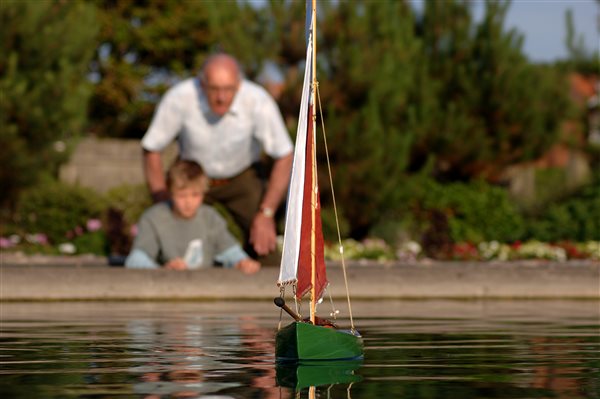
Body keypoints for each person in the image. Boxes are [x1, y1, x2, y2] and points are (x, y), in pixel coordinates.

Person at [141, 53, 293, 261]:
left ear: (239, 85)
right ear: (201, 84)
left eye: (229, 89)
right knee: (177, 251)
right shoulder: (180, 98)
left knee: (266, 250)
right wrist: (161, 198)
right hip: (192, 177)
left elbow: (284, 154)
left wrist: (266, 213)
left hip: (242, 177)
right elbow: (151, 147)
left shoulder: (258, 101)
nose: (221, 97)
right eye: (214, 89)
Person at [125, 159, 260, 274]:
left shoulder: (210, 217)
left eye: (195, 195)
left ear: (204, 193)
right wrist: (162, 270)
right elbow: (136, 259)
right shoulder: (153, 218)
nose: (188, 202)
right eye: (182, 195)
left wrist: (244, 262)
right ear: (170, 193)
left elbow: (231, 252)